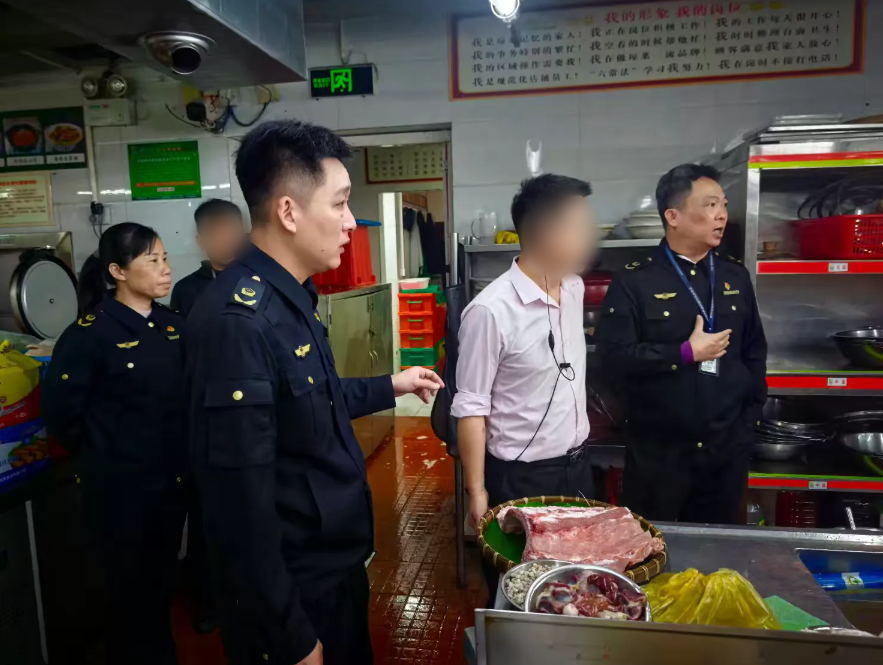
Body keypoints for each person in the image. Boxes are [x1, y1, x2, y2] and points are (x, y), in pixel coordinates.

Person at [185, 120, 444, 665]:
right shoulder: (238, 322)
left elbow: (311, 401)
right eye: (341, 203)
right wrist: (290, 635)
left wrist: (391, 384)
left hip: (330, 569)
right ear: (288, 211)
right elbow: (239, 506)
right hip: (292, 594)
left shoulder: (291, 297)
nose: (351, 222)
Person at [42, 222, 187, 665]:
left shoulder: (172, 326)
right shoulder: (88, 335)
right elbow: (63, 416)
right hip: (119, 491)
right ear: (117, 271)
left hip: (170, 484)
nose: (166, 269)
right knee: (128, 591)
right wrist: (107, 454)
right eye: (152, 260)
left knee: (161, 583)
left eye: (165, 259)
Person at [450, 174, 597, 601]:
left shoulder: (574, 287)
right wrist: (477, 492)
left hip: (577, 468)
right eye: (579, 227)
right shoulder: (490, 311)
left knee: (576, 592)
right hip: (521, 479)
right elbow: (471, 407)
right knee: (520, 594)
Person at [595, 164, 767, 525]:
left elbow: (754, 353)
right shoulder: (635, 281)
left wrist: (745, 426)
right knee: (655, 549)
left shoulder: (735, 275)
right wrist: (684, 353)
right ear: (673, 216)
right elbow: (613, 359)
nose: (721, 215)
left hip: (725, 453)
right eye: (710, 205)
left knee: (719, 549)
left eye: (723, 205)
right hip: (659, 456)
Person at [170, 198, 245, 317]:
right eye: (217, 236)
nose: (227, 243)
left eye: (232, 235)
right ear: (201, 242)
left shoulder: (261, 279)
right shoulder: (186, 289)